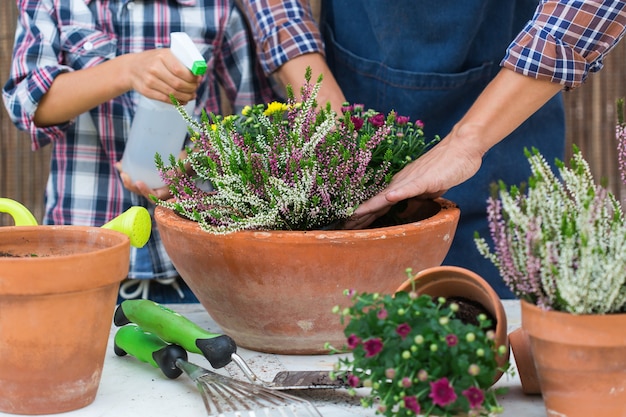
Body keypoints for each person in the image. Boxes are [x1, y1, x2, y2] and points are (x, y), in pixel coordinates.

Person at [240, 0, 626, 297]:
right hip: (352, 91)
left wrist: (466, 142)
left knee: (491, 328)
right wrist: (330, 118)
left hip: (507, 124)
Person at [3, 0, 275, 302]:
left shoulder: (217, 7)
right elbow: (26, 104)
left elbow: (259, 121)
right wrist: (127, 71)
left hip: (196, 265)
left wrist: (198, 159)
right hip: (83, 260)